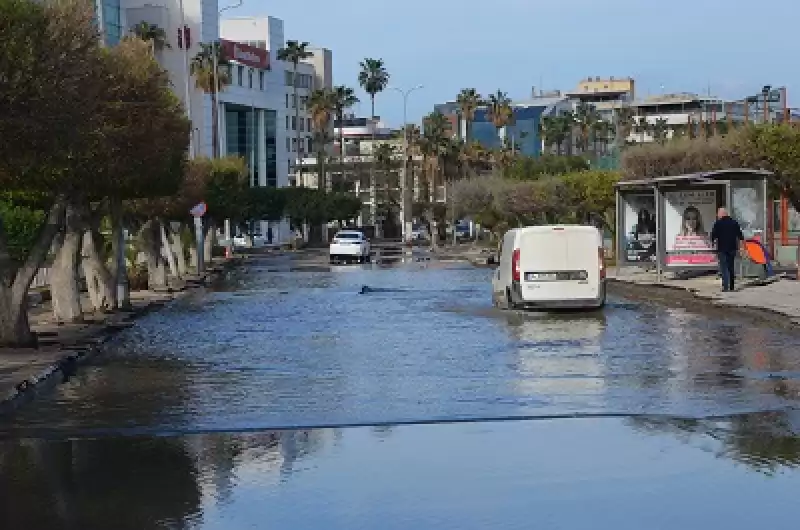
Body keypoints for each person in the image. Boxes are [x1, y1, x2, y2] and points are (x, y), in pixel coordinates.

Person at [710, 207, 745, 292]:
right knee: (731, 267)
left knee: (724, 267)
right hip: (732, 248)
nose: (717, 215)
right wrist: (741, 248)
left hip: (722, 249)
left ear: (721, 214)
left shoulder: (718, 223)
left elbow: (713, 236)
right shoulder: (734, 223)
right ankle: (732, 286)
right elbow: (740, 236)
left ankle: (726, 287)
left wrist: (713, 244)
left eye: (718, 213)